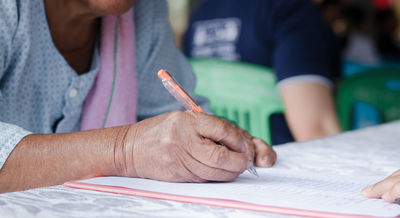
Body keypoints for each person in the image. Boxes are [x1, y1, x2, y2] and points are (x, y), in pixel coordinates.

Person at [0, 0, 276, 193]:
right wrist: (126, 150)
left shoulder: (143, 9)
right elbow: (142, 146)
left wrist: (213, 140)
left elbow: (173, 116)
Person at [184, 0, 342, 145]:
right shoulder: (290, 9)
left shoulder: (202, 12)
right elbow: (316, 129)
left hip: (217, 158)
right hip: (282, 159)